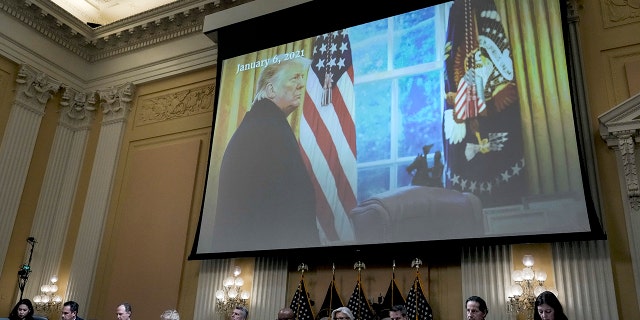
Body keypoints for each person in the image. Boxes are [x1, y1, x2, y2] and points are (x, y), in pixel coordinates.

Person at [212, 56, 320, 251]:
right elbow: (288, 201)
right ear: (270, 89)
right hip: (270, 256)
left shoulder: (259, 123)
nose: (301, 85)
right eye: (294, 78)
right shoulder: (269, 127)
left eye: (301, 78)